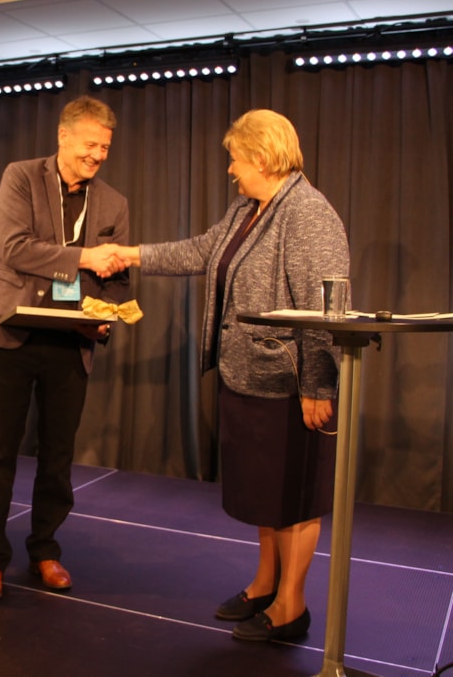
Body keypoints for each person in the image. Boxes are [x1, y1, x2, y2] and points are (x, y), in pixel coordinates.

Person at [119, 109, 348, 641]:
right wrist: (131, 255)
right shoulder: (249, 206)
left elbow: (325, 310)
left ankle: (292, 606)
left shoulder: (308, 213)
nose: (231, 169)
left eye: (236, 158)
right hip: (246, 379)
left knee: (293, 497)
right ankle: (265, 583)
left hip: (288, 386)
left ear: (264, 158)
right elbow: (202, 251)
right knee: (266, 495)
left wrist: (317, 385)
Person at [0, 95, 130, 601]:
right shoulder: (19, 176)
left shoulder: (114, 203)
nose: (98, 155)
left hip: (70, 342)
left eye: (104, 147)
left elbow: (117, 276)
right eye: (90, 144)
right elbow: (15, 248)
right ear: (63, 137)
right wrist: (86, 257)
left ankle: (45, 550)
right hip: (9, 335)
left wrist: (106, 319)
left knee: (58, 456)